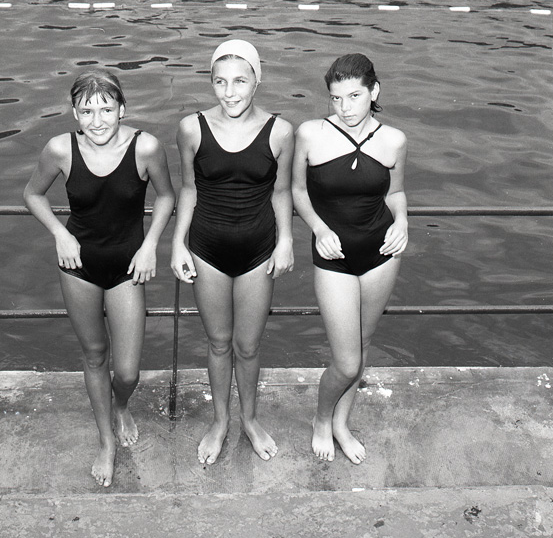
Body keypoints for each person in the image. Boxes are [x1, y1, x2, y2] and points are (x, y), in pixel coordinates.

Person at [24, 68, 175, 487]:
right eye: (87, 111)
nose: (97, 120)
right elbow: (32, 194)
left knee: (127, 372)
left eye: (106, 109)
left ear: (122, 109)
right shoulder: (60, 149)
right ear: (75, 113)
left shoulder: (146, 147)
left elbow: (167, 196)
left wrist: (150, 245)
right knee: (94, 355)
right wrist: (60, 234)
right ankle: (106, 440)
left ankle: (120, 405)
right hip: (79, 266)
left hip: (128, 267)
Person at [171, 39, 294, 465]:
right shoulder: (191, 128)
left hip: (259, 251)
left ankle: (250, 419)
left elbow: (281, 192)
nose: (230, 92)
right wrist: (177, 243)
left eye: (240, 81)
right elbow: (188, 189)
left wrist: (286, 240)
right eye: (220, 82)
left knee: (248, 346)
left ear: (257, 81)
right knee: (219, 342)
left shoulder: (280, 131)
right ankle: (221, 420)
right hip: (207, 249)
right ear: (211, 83)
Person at [292, 53, 408, 464]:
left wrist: (403, 222)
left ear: (374, 92)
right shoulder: (310, 134)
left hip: (381, 253)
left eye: (354, 96)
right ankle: (322, 419)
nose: (345, 107)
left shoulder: (394, 140)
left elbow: (395, 193)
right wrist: (319, 229)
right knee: (346, 361)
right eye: (336, 98)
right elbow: (298, 191)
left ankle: (342, 423)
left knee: (363, 344)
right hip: (334, 255)